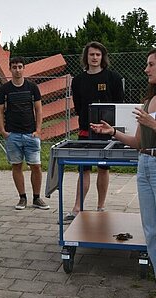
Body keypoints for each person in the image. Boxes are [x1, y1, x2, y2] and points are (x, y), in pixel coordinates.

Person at [90, 48, 156, 298]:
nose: (146, 69)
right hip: (144, 164)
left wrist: (154, 125)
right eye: (147, 64)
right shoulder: (148, 101)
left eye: (151, 64)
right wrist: (113, 131)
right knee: (151, 232)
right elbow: (138, 141)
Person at [64, 41, 124, 222]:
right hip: (85, 131)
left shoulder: (113, 78)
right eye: (92, 54)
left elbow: (119, 105)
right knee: (84, 169)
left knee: (103, 169)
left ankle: (100, 207)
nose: (95, 58)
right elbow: (78, 106)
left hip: (106, 132)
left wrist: (111, 129)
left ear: (103, 57)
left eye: (98, 54)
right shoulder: (78, 81)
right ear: (86, 57)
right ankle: (77, 208)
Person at [0, 56, 49, 210]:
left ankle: (37, 198)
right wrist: (3, 131)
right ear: (10, 69)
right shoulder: (5, 89)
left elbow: (38, 109)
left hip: (31, 135)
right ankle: (22, 198)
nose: (17, 70)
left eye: (20, 67)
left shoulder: (32, 87)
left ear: (24, 68)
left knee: (36, 166)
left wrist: (38, 130)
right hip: (13, 135)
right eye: (14, 67)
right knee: (16, 166)